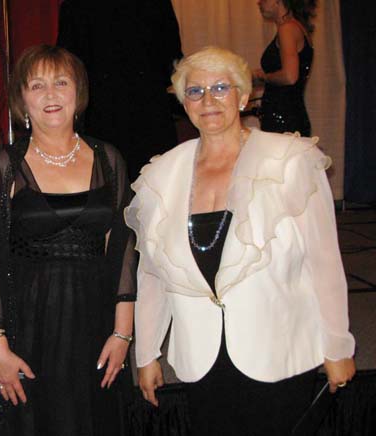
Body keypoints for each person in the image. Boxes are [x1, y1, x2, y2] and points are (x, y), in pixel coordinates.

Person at [124, 46, 355, 436]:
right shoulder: (161, 175)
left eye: (220, 87)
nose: (208, 100)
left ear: (244, 96)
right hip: (202, 355)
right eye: (195, 91)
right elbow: (152, 274)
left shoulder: (290, 161)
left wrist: (338, 346)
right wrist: (146, 354)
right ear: (184, 102)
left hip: (277, 347)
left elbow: (324, 261)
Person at [0, 44, 137, 436]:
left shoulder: (108, 158)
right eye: (37, 85)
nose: (50, 95)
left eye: (61, 82)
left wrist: (122, 333)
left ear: (78, 92)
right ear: (21, 99)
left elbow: (124, 250)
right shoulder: (4, 165)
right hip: (28, 330)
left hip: (97, 328)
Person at [57, 0, 183, 180]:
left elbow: (69, 69)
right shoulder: (156, 4)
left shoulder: (75, 5)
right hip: (142, 113)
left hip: (107, 114)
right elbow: (172, 63)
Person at [254, 0, 316, 136]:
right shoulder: (296, 27)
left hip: (283, 118)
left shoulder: (287, 28)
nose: (258, 2)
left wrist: (264, 77)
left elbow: (290, 77)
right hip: (289, 115)